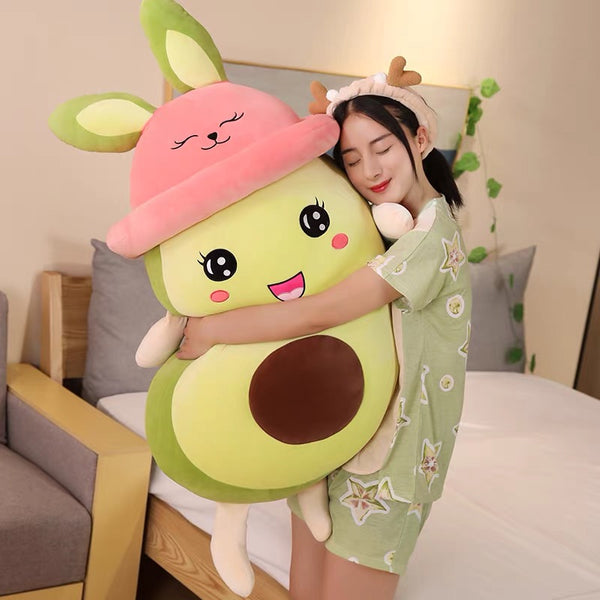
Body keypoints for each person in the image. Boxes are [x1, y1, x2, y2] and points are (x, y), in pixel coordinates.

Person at [177, 58, 472, 600]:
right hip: (341, 436)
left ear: (420, 139)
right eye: (352, 159)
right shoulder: (376, 230)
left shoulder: (430, 240)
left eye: (383, 148)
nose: (370, 170)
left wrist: (214, 330)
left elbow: (319, 312)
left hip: (393, 463)